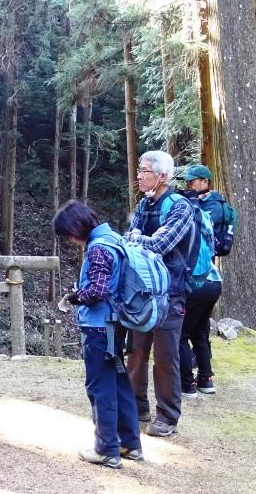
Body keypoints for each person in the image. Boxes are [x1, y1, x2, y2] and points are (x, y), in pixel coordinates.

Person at [54, 200, 142, 469]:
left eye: (68, 234)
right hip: (115, 325)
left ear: (75, 228)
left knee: (100, 387)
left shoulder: (98, 248)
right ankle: (130, 444)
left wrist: (72, 297)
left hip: (99, 328)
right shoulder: (113, 238)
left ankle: (106, 449)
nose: (70, 240)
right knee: (118, 384)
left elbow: (96, 291)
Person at [125, 151, 194, 437]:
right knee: (136, 352)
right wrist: (139, 239)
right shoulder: (143, 205)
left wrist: (136, 238)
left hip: (171, 293)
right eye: (139, 171)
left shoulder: (180, 207)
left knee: (166, 356)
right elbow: (132, 239)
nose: (138, 176)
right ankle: (137, 405)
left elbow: (159, 244)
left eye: (144, 171)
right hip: (142, 292)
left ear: (162, 176)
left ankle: (167, 416)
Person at [180, 164, 224, 396]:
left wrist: (191, 204)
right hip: (212, 280)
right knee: (199, 332)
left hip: (199, 281)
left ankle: (187, 385)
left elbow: (200, 225)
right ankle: (206, 380)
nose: (188, 185)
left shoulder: (213, 206)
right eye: (187, 182)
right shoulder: (201, 203)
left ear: (205, 182)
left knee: (180, 335)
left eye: (193, 181)